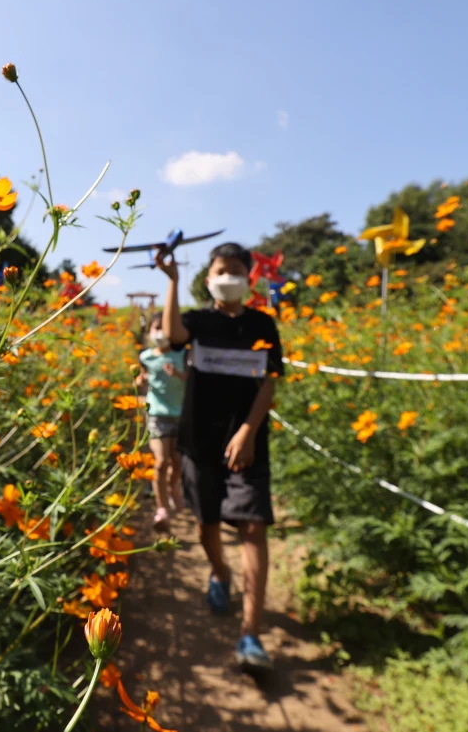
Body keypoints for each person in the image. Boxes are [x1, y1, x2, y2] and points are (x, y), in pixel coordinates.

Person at [156, 242, 283, 671]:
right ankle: (221, 574)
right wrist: (172, 281)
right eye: (219, 270)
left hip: (246, 444)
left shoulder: (263, 324)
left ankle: (250, 635)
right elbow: (173, 336)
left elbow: (269, 381)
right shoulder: (198, 321)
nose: (226, 277)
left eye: (234, 270)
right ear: (208, 279)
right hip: (199, 441)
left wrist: (249, 431)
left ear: (248, 278)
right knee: (206, 525)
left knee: (252, 527)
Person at [135, 312, 187, 533]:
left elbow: (193, 379)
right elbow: (139, 378)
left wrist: (178, 374)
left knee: (177, 462)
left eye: (164, 327)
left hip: (181, 415)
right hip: (157, 415)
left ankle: (174, 486)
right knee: (160, 462)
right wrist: (139, 380)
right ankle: (162, 508)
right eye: (156, 328)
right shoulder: (146, 356)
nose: (160, 332)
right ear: (149, 333)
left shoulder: (182, 354)